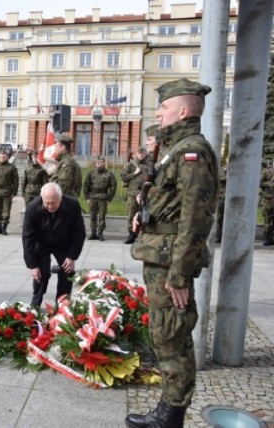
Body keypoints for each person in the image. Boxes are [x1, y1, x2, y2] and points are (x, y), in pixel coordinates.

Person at [128, 78, 218, 428]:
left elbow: (197, 218)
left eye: (164, 108)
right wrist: (144, 213)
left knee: (171, 335)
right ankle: (168, 410)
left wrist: (180, 274)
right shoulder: (174, 149)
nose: (159, 113)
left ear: (182, 111)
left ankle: (171, 416)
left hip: (170, 264)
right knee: (165, 334)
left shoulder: (191, 150)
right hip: (159, 256)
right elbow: (173, 204)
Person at [22, 182, 86, 308]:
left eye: (53, 203)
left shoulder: (72, 205)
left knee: (67, 271)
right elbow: (27, 238)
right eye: (46, 203)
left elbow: (79, 232)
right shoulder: (32, 207)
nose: (50, 206)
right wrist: (32, 265)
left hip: (63, 242)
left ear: (61, 198)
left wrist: (72, 256)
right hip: (41, 242)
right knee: (41, 272)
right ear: (42, 199)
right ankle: (36, 302)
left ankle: (62, 303)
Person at [121, 146, 150, 244]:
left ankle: (142, 235)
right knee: (131, 214)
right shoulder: (131, 165)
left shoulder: (149, 165)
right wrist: (135, 173)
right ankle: (131, 235)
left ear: (145, 154)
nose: (141, 155)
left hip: (145, 194)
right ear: (136, 154)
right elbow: (124, 177)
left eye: (143, 153)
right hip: (133, 194)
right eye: (139, 153)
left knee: (144, 215)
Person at [83, 156, 117, 241]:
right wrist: (87, 197)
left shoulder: (108, 174)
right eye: (98, 162)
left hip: (103, 198)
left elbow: (113, 186)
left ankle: (100, 233)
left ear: (104, 163)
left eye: (101, 162)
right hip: (93, 197)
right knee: (92, 216)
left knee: (102, 217)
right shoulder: (91, 173)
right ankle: (93, 233)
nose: (99, 163)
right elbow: (86, 186)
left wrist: (109, 198)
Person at [260, 160, 274, 246]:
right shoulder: (267, 171)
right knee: (267, 220)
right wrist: (268, 184)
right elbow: (259, 182)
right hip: (268, 200)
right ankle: (267, 239)